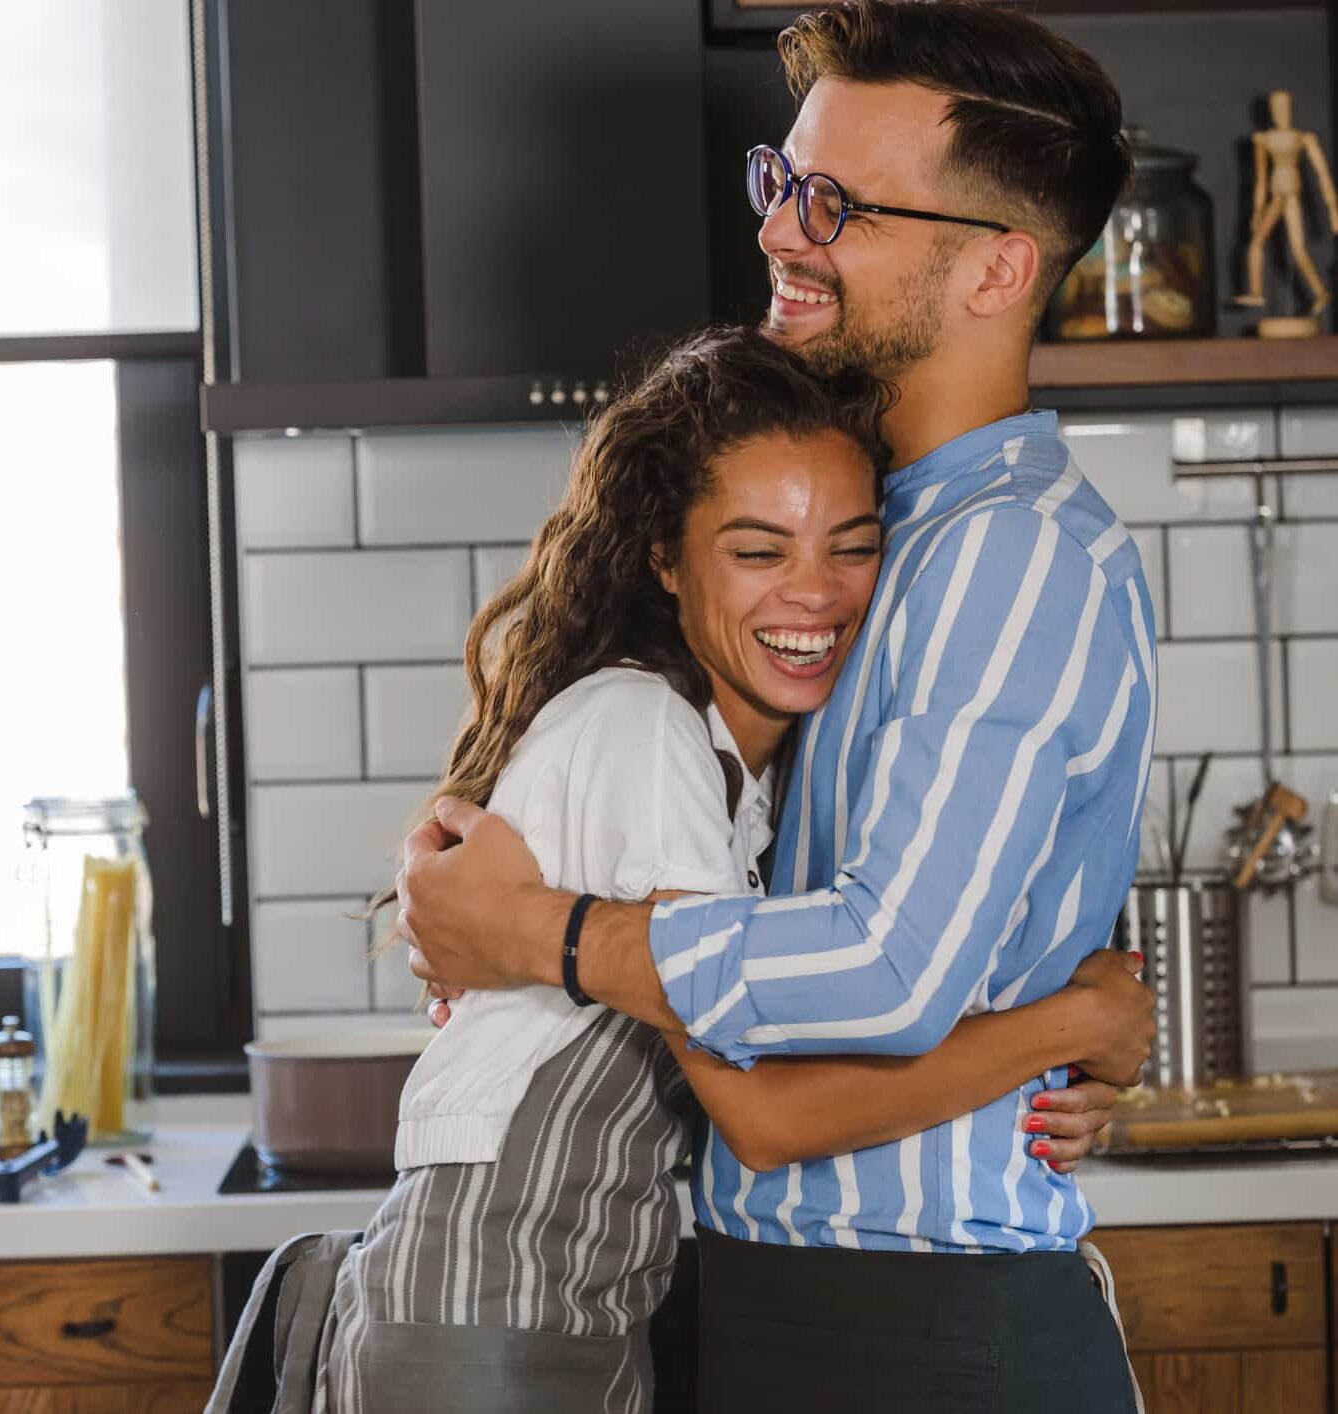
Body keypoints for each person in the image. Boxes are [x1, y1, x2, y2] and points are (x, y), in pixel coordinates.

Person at [401, 3, 1157, 1410]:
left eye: (837, 205)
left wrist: (540, 932)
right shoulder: (874, 527)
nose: (778, 232)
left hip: (918, 1320)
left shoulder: (1005, 547)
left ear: (997, 269)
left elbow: (886, 968)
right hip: (798, 1296)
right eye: (780, 182)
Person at [304, 328, 1151, 1414]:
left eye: (851, 546)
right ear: (665, 557)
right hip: (495, 1309)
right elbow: (765, 1115)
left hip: (565, 1304)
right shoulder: (642, 733)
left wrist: (1056, 1072)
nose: (815, 595)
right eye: (758, 551)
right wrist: (1066, 1026)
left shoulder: (742, 774)